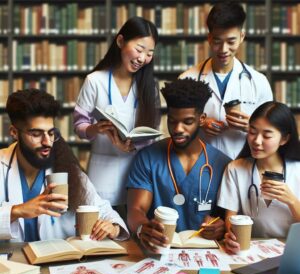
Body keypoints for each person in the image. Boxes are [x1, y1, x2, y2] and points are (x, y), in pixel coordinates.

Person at [0, 88, 129, 242]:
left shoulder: (64, 165)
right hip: (13, 263)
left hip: (56, 260)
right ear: (14, 132)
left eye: (51, 133)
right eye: (36, 134)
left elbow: (103, 210)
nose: (47, 142)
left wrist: (113, 227)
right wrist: (18, 211)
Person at [127, 78, 231, 253]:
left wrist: (221, 227)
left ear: (201, 119)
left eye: (187, 122)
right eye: (172, 121)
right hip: (159, 248)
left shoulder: (223, 163)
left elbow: (226, 217)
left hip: (206, 251)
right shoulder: (148, 158)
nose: (178, 129)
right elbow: (136, 209)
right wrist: (143, 228)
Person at [73, 16, 160, 211]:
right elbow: (79, 126)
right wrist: (95, 128)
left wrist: (130, 145)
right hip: (102, 171)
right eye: (139, 49)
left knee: (132, 227)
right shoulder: (95, 81)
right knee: (102, 229)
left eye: (149, 53)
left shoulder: (149, 87)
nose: (142, 58)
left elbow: (153, 131)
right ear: (120, 41)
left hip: (138, 171)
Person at [179, 1, 273, 159]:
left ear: (242, 37)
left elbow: (272, 132)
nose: (223, 49)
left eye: (231, 42)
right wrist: (200, 123)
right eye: (217, 41)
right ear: (209, 38)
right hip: (201, 167)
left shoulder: (259, 82)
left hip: (244, 168)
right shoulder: (187, 79)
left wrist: (252, 126)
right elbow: (177, 126)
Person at [217, 102, 300, 253]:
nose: (256, 141)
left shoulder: (297, 169)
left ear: (284, 139)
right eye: (252, 131)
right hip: (250, 252)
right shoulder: (235, 168)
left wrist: (292, 201)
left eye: (267, 135)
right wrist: (231, 236)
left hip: (292, 252)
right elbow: (230, 220)